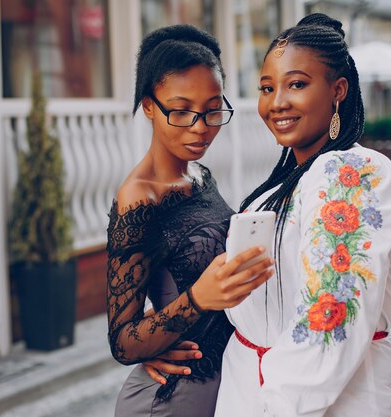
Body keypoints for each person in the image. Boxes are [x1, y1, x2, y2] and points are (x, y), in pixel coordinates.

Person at [214, 13, 391, 417]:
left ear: (337, 90)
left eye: (297, 84)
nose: (277, 102)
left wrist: (277, 407)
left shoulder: (351, 172)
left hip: (319, 402)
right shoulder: (281, 185)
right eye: (267, 88)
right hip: (248, 390)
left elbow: (332, 322)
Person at [106, 24, 273, 417]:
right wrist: (198, 298)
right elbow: (122, 342)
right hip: (170, 399)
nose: (200, 127)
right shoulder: (139, 197)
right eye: (181, 111)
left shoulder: (199, 175)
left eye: (212, 109)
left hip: (223, 388)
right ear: (149, 106)